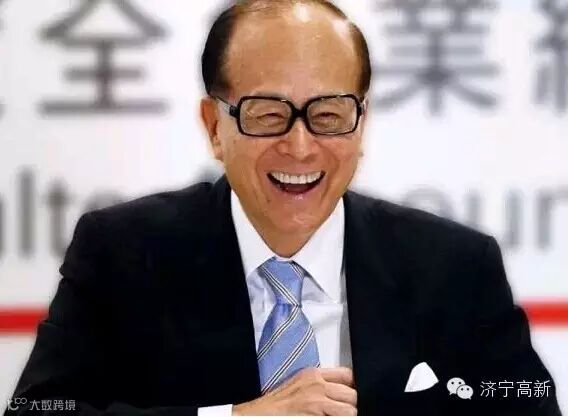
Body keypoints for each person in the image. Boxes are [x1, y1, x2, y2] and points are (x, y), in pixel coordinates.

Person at [6, 0, 561, 415]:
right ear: (214, 126)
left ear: (362, 121)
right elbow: (40, 410)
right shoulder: (122, 253)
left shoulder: (454, 265)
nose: (299, 147)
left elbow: (527, 405)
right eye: (268, 114)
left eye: (329, 114)